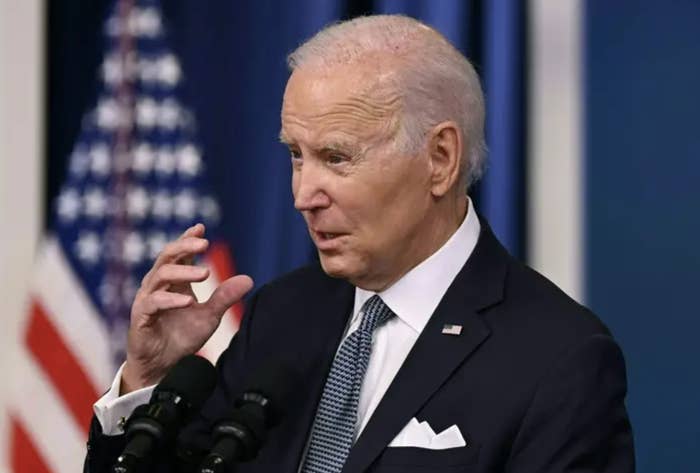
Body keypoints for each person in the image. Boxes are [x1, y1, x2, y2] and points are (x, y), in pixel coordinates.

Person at [85, 15, 634, 473]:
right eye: (296, 155)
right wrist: (147, 381)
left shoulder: (560, 361)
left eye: (336, 157)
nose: (303, 194)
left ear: (440, 159)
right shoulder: (282, 316)